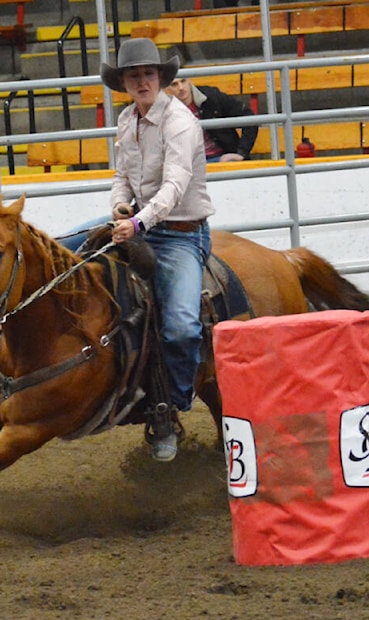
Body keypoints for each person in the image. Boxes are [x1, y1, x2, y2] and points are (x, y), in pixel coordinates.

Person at [100, 38, 214, 462]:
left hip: (181, 235)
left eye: (149, 74)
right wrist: (119, 204)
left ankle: (173, 404)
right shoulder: (127, 120)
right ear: (125, 83)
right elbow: (121, 176)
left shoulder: (180, 122)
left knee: (183, 326)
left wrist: (136, 222)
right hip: (139, 227)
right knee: (68, 254)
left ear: (161, 79)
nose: (142, 81)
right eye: (135, 76)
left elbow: (175, 185)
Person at [167, 76, 258, 162]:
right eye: (174, 84)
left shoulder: (211, 97)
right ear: (167, 88)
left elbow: (249, 118)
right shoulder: (164, 110)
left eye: (183, 81)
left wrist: (241, 153)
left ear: (189, 80)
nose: (181, 87)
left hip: (222, 158)